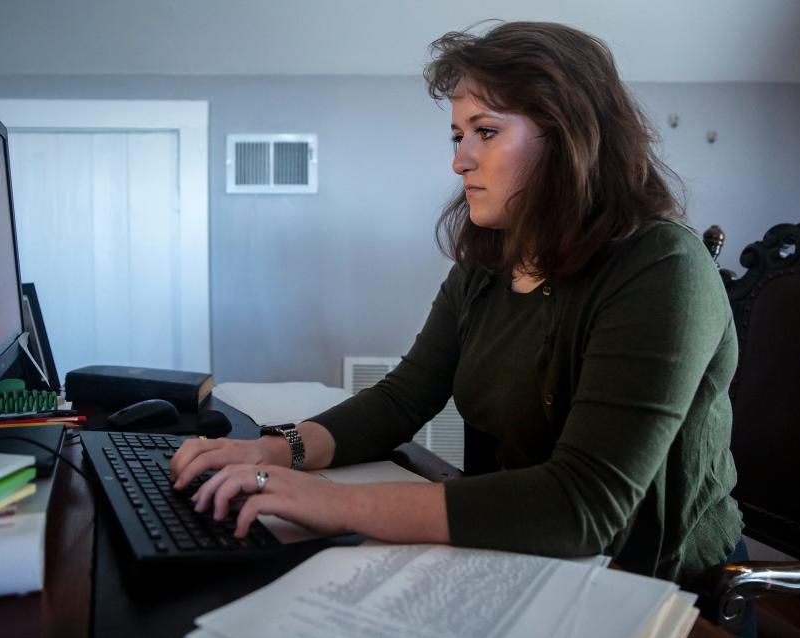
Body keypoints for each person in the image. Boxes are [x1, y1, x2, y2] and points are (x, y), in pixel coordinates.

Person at [171, 20, 744, 601]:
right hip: (519, 560)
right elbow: (403, 398)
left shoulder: (662, 267)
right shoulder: (492, 259)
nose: (460, 161)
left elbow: (583, 507)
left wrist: (334, 503)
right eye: (457, 136)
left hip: (652, 590)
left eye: (486, 132)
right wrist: (271, 450)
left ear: (571, 138)